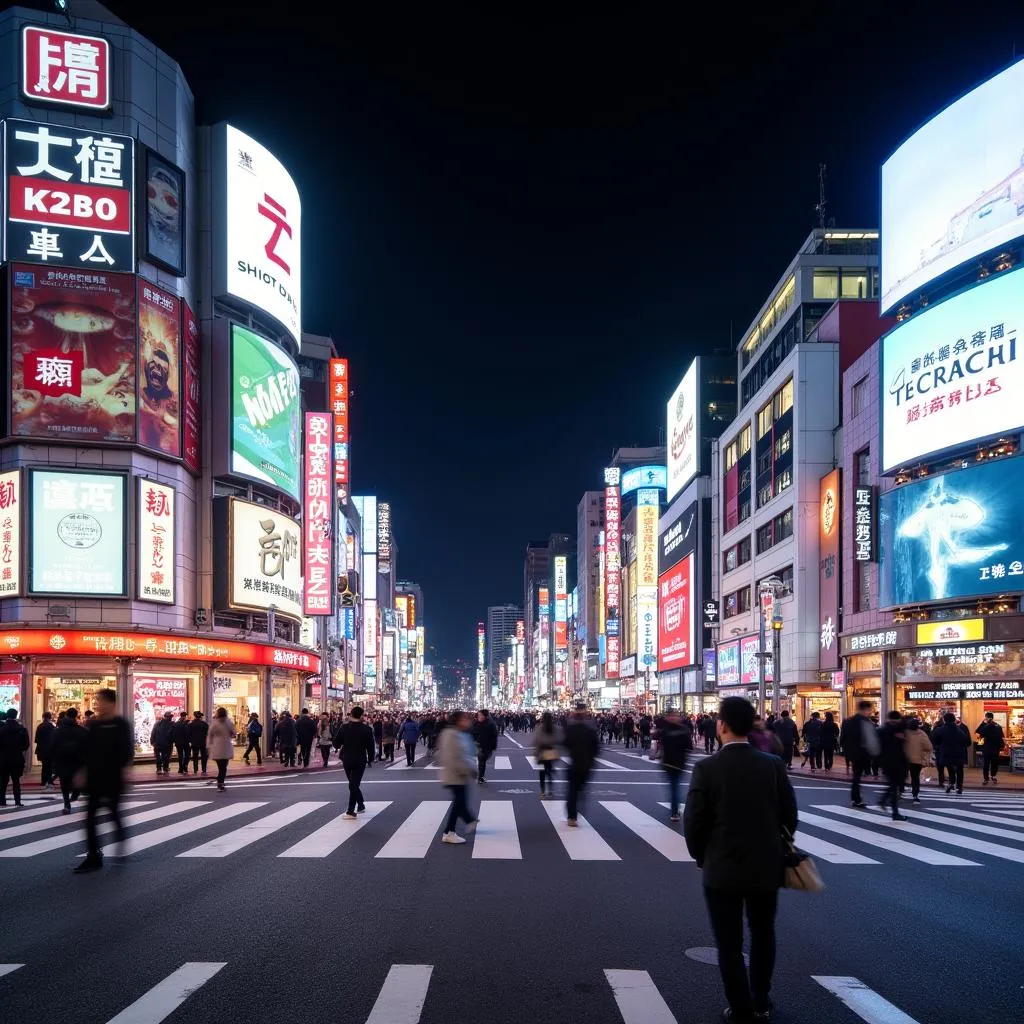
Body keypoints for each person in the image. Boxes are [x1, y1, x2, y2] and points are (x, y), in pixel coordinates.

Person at [683, 697, 797, 1023]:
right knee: (763, 933)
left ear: (721, 726)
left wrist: (703, 855)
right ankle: (761, 1000)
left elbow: (694, 822)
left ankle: (740, 1006)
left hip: (722, 868)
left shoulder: (707, 768)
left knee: (728, 942)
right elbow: (790, 815)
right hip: (766, 865)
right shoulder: (772, 765)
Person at [75, 688, 133, 872]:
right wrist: (81, 772)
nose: (98, 704)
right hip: (94, 777)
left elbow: (126, 750)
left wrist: (126, 772)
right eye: (97, 701)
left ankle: (121, 840)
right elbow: (86, 750)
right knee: (89, 818)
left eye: (101, 701)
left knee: (113, 814)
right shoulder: (94, 724)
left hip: (113, 777)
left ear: (111, 702)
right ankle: (93, 855)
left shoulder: (121, 724)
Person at [438, 710, 478, 843]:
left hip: (457, 774)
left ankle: (466, 821)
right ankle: (449, 832)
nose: (467, 721)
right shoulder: (451, 734)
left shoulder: (454, 733)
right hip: (455, 775)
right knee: (458, 802)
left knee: (459, 801)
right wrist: (467, 770)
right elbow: (452, 758)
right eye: (464, 719)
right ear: (458, 721)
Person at [839, 701, 880, 809]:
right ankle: (856, 799)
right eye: (869, 710)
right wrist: (875, 754)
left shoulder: (848, 721)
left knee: (856, 776)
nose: (870, 712)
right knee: (857, 777)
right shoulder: (865, 722)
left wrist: (846, 750)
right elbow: (871, 740)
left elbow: (842, 738)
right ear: (865, 710)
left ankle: (855, 798)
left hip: (851, 753)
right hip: (862, 753)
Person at [563, 702, 598, 827]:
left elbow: (565, 743)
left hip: (574, 762)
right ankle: (578, 810)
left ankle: (572, 816)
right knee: (581, 789)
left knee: (572, 790)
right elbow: (596, 748)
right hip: (587, 764)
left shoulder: (570, 728)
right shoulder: (590, 729)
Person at [337, 707, 375, 819]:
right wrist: (371, 759)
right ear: (361, 715)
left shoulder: (344, 728)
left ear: (351, 714)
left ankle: (351, 810)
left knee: (352, 784)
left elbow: (337, 743)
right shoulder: (366, 729)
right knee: (354, 784)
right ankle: (360, 804)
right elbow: (370, 746)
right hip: (360, 759)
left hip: (347, 759)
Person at [51, 707, 87, 814]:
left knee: (64, 783)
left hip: (62, 760)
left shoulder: (58, 731)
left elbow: (52, 746)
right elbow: (87, 746)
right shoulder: (82, 730)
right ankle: (75, 793)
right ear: (76, 716)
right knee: (77, 779)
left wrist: (53, 760)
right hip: (77, 760)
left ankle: (67, 805)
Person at [659, 709, 693, 822]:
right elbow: (689, 746)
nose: (674, 718)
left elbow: (660, 743)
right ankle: (675, 811)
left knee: (674, 787)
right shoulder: (683, 729)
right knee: (674, 787)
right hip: (676, 762)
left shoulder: (665, 729)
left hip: (671, 762)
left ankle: (675, 811)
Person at [876, 711, 908, 821]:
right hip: (897, 762)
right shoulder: (896, 730)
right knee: (895, 786)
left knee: (893, 785)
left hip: (886, 761)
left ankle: (885, 802)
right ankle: (893, 811)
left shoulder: (881, 730)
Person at [932, 712, 970, 795]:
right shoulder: (961, 729)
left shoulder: (940, 730)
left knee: (950, 768)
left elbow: (934, 741)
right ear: (954, 720)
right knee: (960, 770)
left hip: (946, 753)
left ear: (944, 720)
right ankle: (959, 787)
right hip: (959, 753)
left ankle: (951, 783)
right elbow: (968, 742)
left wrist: (939, 747)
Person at [0, 708, 30, 807]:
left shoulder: (2, 729)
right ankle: (17, 801)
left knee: (3, 781)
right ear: (16, 716)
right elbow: (26, 745)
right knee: (16, 781)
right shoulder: (21, 729)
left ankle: (2, 800)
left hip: (3, 758)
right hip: (17, 757)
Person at [903, 717, 933, 804]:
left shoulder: (905, 733)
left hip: (905, 759)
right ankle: (915, 794)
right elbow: (928, 746)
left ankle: (901, 790)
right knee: (915, 777)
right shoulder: (921, 734)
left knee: (903, 775)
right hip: (917, 760)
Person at [208, 707, 235, 792]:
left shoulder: (214, 723)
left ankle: (220, 781)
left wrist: (208, 746)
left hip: (216, 747)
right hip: (225, 746)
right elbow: (233, 733)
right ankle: (220, 783)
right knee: (223, 767)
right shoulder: (228, 722)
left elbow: (210, 735)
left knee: (221, 767)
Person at [533, 711, 559, 799]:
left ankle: (542, 792)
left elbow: (536, 740)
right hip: (551, 751)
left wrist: (536, 752)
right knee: (549, 771)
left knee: (542, 773)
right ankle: (550, 791)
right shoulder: (554, 728)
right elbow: (557, 739)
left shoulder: (540, 727)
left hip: (542, 751)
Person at [975, 712, 1005, 785]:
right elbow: (1002, 736)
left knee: (986, 764)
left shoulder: (985, 726)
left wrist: (982, 723)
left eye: (985, 717)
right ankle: (993, 776)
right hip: (995, 748)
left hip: (987, 748)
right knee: (994, 763)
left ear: (987, 718)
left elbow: (978, 733)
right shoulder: (998, 726)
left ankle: (986, 778)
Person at [472, 709, 498, 784]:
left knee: (482, 761)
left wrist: (493, 747)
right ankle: (480, 777)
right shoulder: (477, 723)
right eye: (478, 715)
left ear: (485, 716)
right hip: (480, 746)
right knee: (481, 762)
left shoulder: (490, 724)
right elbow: (473, 732)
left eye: (480, 715)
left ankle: (480, 777)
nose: (478, 716)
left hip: (486, 747)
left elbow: (494, 736)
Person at [34, 711, 57, 789]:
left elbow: (36, 739)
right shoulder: (52, 726)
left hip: (41, 749)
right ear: (50, 717)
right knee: (49, 766)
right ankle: (49, 780)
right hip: (50, 749)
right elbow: (54, 738)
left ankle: (43, 781)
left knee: (44, 766)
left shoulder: (40, 726)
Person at [150, 711, 174, 775]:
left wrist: (152, 741)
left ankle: (159, 769)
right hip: (166, 744)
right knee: (166, 757)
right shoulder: (171, 724)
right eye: (170, 717)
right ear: (168, 717)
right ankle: (165, 768)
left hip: (158, 743)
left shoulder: (157, 723)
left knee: (158, 757)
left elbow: (153, 732)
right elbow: (172, 735)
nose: (171, 718)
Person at [189, 710, 209, 775]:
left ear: (195, 716)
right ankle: (204, 770)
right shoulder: (204, 724)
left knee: (195, 757)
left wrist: (191, 740)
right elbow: (208, 733)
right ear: (200, 717)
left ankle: (195, 770)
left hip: (194, 743)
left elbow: (188, 734)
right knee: (204, 757)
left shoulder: (191, 724)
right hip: (203, 742)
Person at [172, 710, 191, 775]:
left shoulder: (176, 723)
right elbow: (187, 733)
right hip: (185, 742)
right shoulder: (185, 724)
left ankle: (181, 768)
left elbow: (174, 733)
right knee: (187, 755)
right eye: (185, 716)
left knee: (180, 756)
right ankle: (184, 767)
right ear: (184, 716)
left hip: (178, 742)